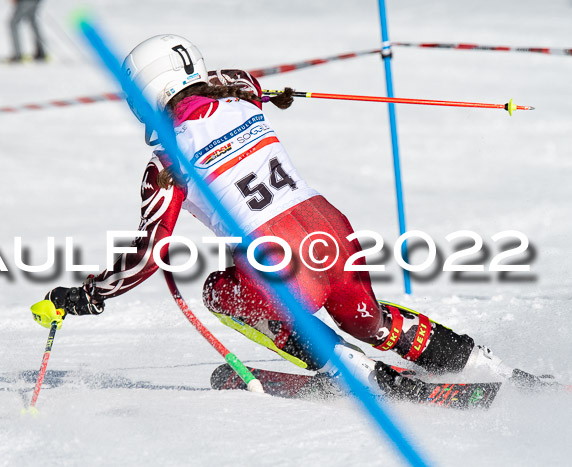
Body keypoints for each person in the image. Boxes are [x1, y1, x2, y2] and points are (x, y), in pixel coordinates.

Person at [41, 34, 543, 397]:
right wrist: (269, 94)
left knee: (221, 292)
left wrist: (90, 293)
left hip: (279, 261)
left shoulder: (167, 163)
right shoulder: (239, 97)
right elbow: (242, 81)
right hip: (333, 230)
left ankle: (349, 368)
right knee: (369, 318)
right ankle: (478, 362)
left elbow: (150, 255)